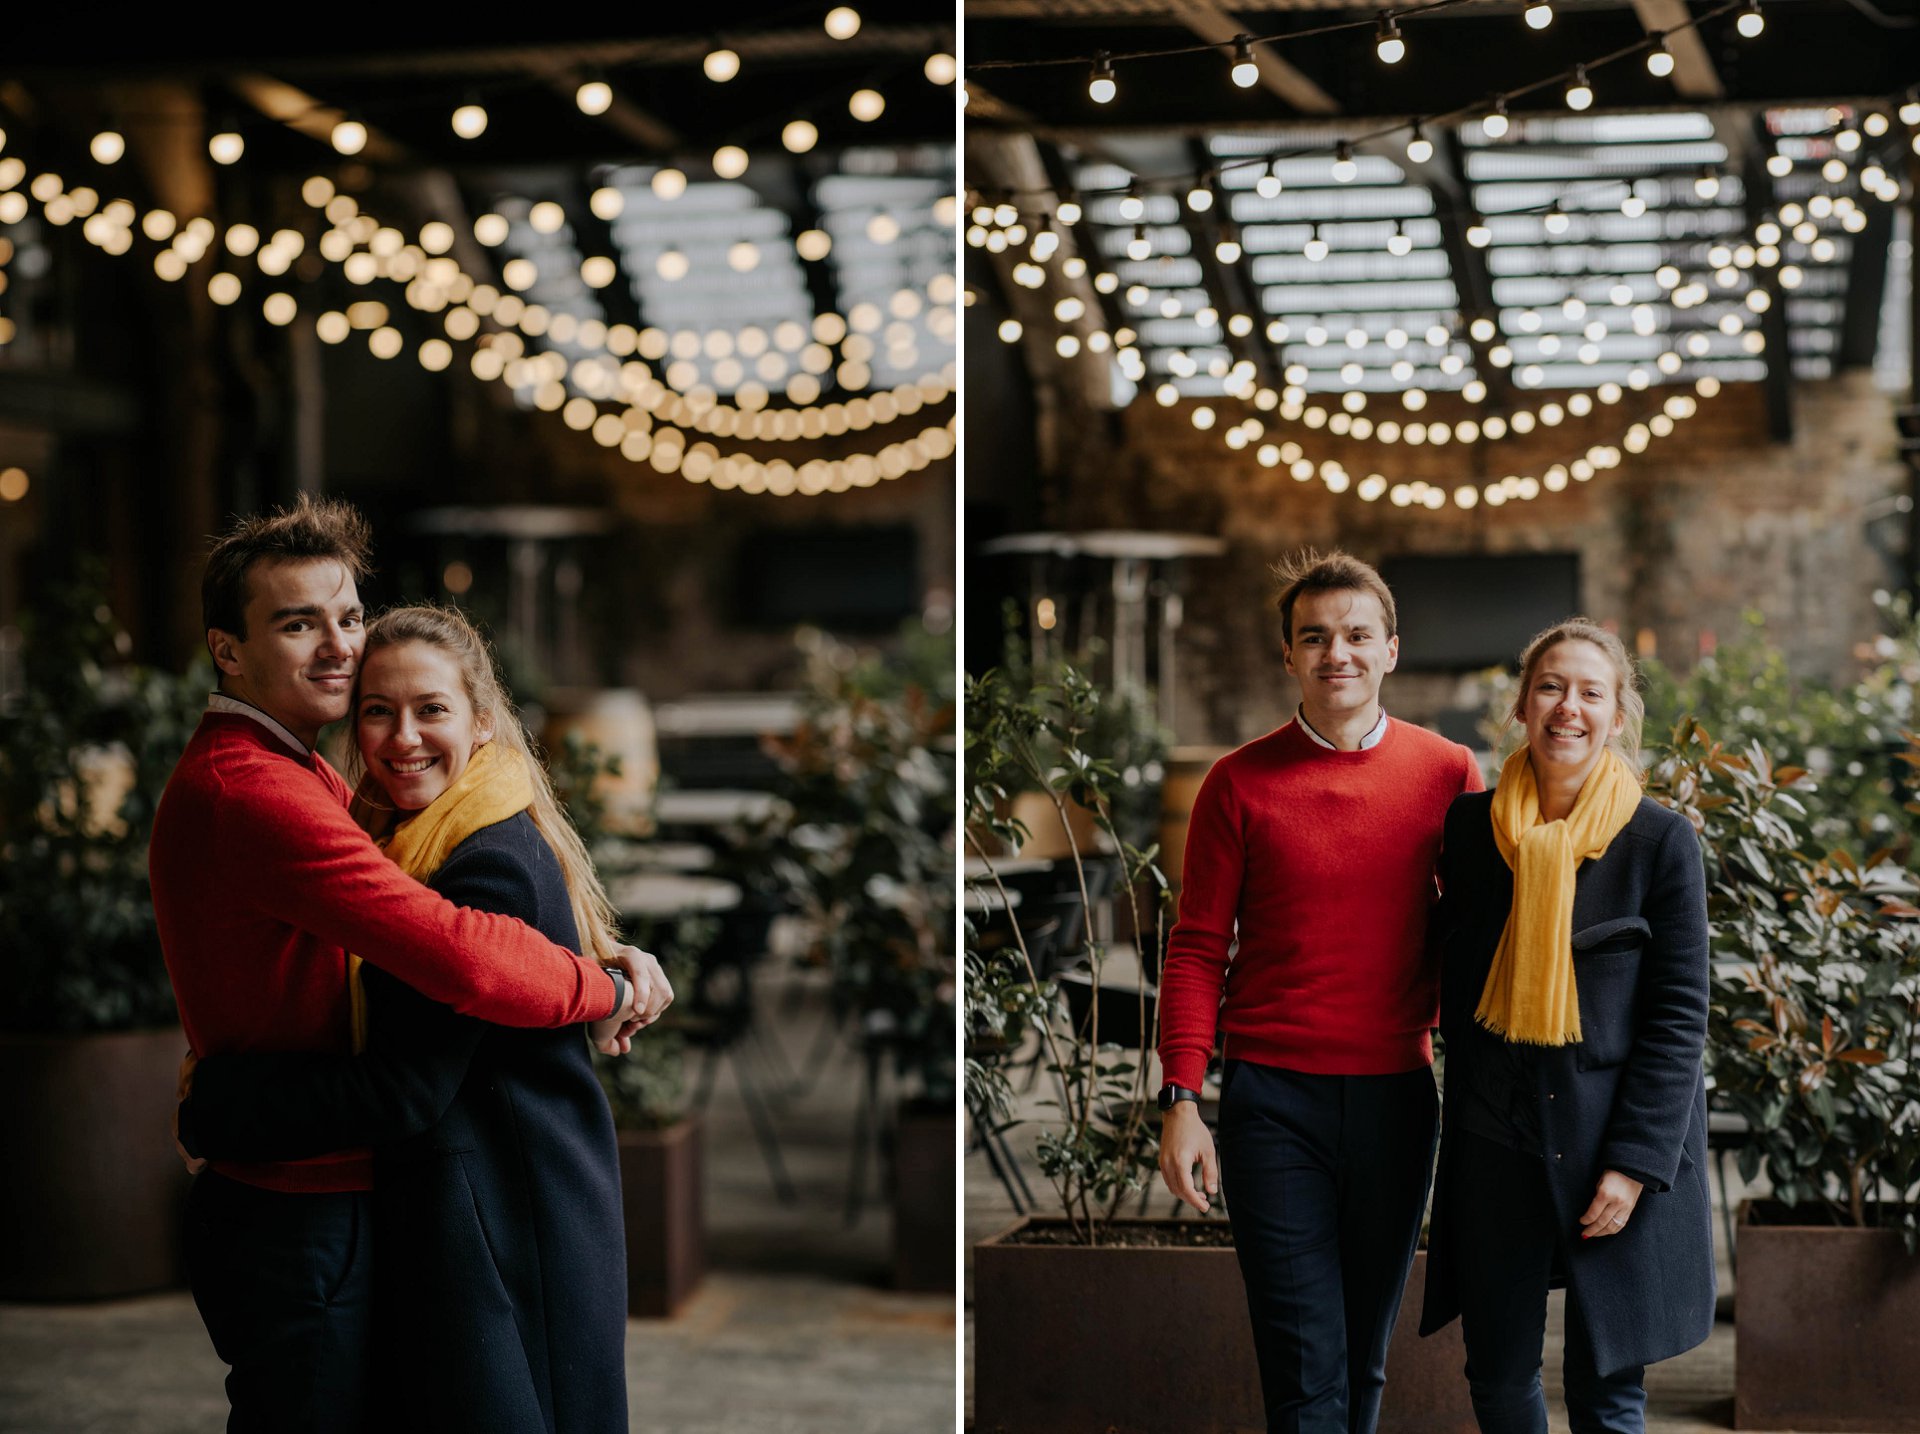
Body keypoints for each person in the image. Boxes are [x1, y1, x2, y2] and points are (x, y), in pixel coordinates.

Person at [151, 496, 668, 1434]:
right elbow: (459, 955)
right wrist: (603, 986)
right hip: (293, 1202)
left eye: (347, 616)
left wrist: (592, 953)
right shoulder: (258, 788)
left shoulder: (327, 783)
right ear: (229, 651)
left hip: (335, 1187)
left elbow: (445, 937)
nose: (337, 647)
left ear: (480, 721)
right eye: (297, 622)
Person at [1157, 549, 1483, 1433]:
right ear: (1289, 656)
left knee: (1362, 1360)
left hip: (1397, 1099)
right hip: (1272, 1103)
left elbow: (1477, 940)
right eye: (1315, 637)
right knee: (1305, 1369)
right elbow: (1194, 950)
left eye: (1356, 635)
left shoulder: (1449, 772)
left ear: (1390, 651)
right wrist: (1182, 1098)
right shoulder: (1237, 782)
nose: (1336, 652)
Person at [1418, 619, 1713, 1434]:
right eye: (1550, 687)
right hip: (1496, 1140)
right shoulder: (1472, 832)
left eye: (1591, 692)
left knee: (1607, 1391)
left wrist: (1633, 1166)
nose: (1567, 708)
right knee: (1499, 1379)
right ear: (1521, 704)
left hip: (1611, 1146)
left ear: (1618, 716)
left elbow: (1680, 1016)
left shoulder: (1660, 841)